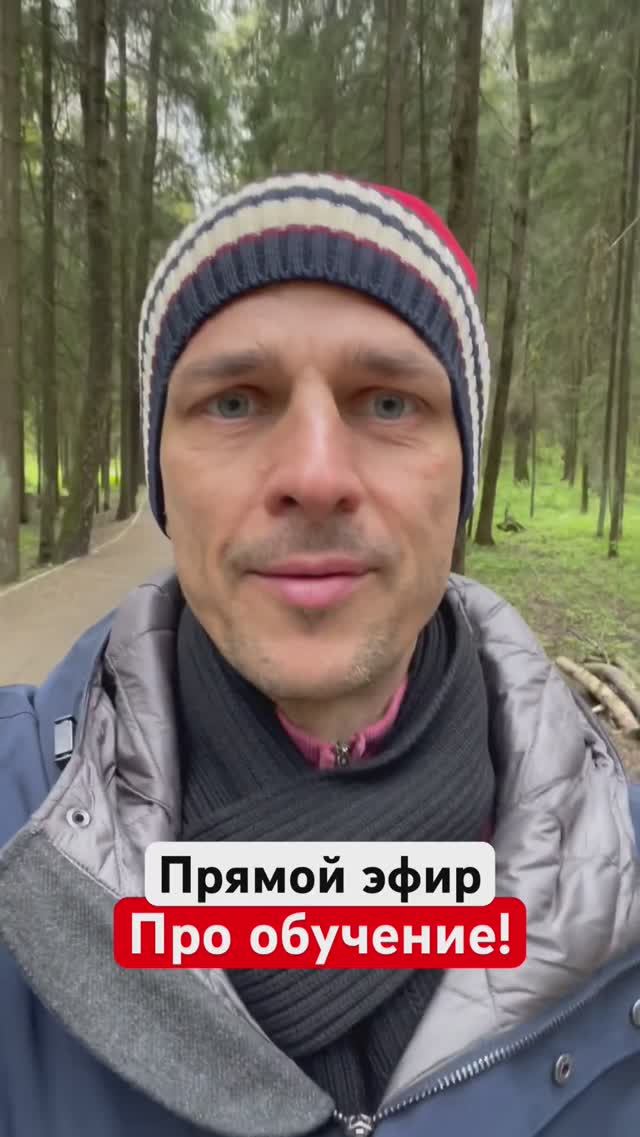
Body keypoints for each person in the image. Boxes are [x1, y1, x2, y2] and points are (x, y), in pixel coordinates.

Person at [0, 172, 639, 1137]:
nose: (314, 474)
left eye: (388, 403)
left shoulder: (621, 874)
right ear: (162, 473)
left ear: (463, 475)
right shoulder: (19, 828)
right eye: (234, 402)